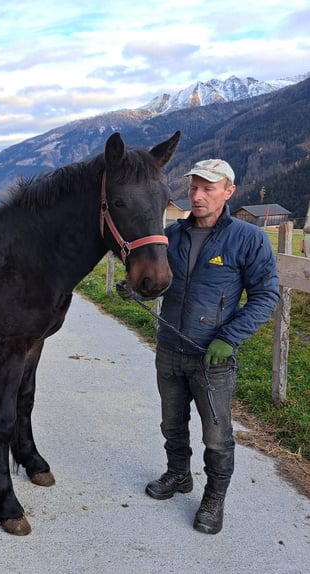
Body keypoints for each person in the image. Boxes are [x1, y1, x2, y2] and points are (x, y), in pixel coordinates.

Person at [129, 159, 279, 535]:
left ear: (228, 192)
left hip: (212, 358)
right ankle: (179, 475)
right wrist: (135, 290)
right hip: (169, 349)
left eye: (207, 188)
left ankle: (214, 498)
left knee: (216, 433)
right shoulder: (172, 236)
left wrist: (230, 337)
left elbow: (265, 295)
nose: (196, 195)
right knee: (171, 423)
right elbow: (157, 280)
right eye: (193, 187)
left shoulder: (248, 239)